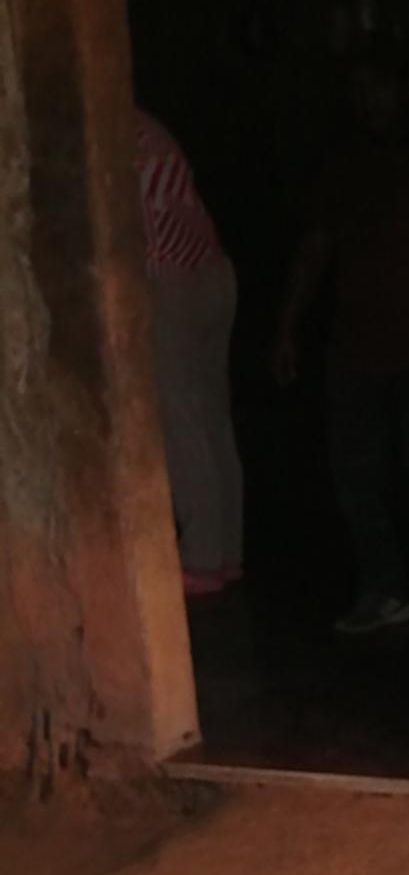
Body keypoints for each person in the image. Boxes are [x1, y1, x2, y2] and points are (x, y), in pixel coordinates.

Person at [271, 53, 409, 636]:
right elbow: (315, 251)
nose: (373, 102)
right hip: (357, 348)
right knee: (356, 480)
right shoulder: (344, 167)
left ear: (406, 88)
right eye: (362, 91)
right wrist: (287, 326)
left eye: (380, 88)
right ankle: (386, 590)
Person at [135, 109, 242, 599]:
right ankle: (226, 552)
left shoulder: (117, 133)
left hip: (170, 275)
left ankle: (200, 558)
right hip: (213, 269)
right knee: (212, 417)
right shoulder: (152, 129)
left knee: (183, 418)